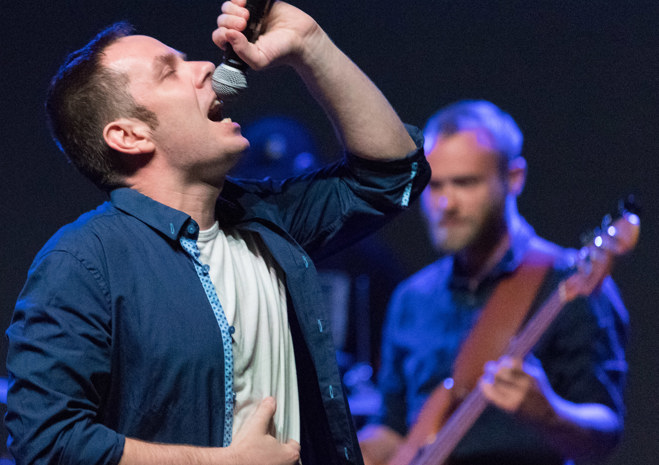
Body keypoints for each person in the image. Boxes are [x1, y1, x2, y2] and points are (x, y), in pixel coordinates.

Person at [4, 1, 430, 464]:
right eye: (169, 72)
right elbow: (45, 441)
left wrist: (309, 43)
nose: (205, 67)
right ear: (129, 135)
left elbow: (391, 176)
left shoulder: (266, 220)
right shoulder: (84, 262)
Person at [358, 100, 629, 465]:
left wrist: (551, 412)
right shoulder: (412, 298)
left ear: (514, 178)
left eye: (465, 182)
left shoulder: (571, 283)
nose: (446, 203)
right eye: (434, 186)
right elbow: (392, 429)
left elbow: (606, 432)